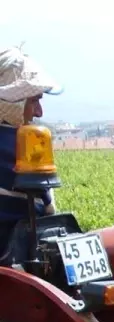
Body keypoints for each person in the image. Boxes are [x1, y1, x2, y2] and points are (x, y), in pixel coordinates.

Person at [0, 47, 58, 239]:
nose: (39, 112)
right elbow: (49, 208)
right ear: (12, 103)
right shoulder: (23, 145)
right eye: (33, 101)